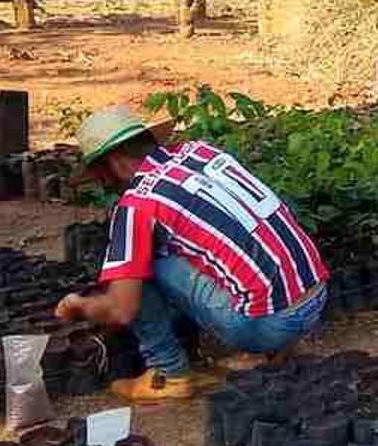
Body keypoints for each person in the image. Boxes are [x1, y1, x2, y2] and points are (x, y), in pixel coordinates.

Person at [54, 105, 329, 402]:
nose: (104, 183)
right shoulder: (202, 153)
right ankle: (281, 346)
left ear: (116, 162)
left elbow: (122, 309)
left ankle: (168, 375)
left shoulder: (136, 205)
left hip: (269, 326)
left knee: (140, 266)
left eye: (100, 174)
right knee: (192, 249)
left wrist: (78, 306)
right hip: (317, 297)